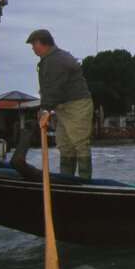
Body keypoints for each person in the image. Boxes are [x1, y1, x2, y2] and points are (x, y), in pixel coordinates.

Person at [27, 29, 95, 178]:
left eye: (33, 45)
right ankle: (67, 181)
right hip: (64, 107)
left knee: (80, 143)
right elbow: (55, 84)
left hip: (76, 106)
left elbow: (55, 86)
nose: (32, 49)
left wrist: (46, 112)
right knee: (65, 145)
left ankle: (85, 183)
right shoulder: (52, 58)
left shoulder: (56, 60)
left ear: (40, 44)